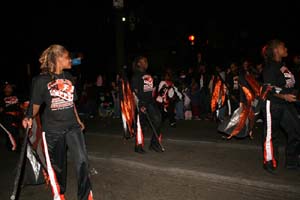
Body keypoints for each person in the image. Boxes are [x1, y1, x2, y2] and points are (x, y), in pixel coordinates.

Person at [22, 44, 94, 200]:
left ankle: (85, 195)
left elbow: (71, 102)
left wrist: (78, 120)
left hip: (72, 127)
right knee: (58, 167)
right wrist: (28, 117)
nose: (71, 60)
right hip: (53, 130)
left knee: (82, 160)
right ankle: (59, 193)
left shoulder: (69, 78)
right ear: (58, 58)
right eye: (68, 57)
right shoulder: (41, 80)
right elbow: (35, 106)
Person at [261, 39, 300, 173]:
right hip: (273, 104)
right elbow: (268, 88)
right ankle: (269, 162)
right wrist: (284, 96)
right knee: (271, 135)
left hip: (287, 104)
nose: (286, 49)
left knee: (296, 130)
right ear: (276, 50)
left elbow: (289, 84)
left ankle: (292, 161)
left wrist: (293, 94)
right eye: (283, 47)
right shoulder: (270, 67)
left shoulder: (283, 66)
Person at [130, 55, 164, 153]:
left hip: (150, 102)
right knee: (141, 125)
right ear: (138, 63)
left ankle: (154, 144)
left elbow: (150, 91)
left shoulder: (148, 75)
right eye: (144, 61)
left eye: (146, 61)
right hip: (141, 102)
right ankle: (138, 146)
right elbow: (134, 92)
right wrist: (140, 104)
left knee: (158, 120)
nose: (146, 63)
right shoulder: (136, 76)